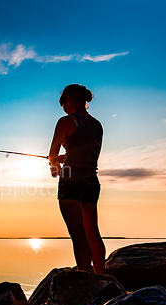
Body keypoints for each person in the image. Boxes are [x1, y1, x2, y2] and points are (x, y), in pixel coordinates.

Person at [48, 84, 106, 274]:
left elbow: (52, 159)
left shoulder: (65, 121)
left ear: (69, 100)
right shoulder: (97, 125)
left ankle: (85, 279)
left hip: (71, 184)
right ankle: (101, 277)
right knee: (93, 234)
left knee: (79, 235)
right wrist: (67, 156)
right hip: (91, 183)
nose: (63, 109)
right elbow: (85, 152)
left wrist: (56, 164)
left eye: (63, 104)